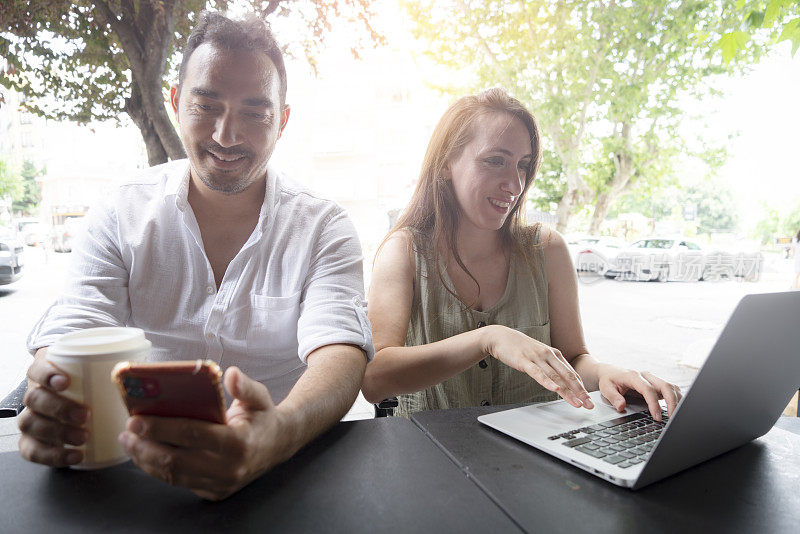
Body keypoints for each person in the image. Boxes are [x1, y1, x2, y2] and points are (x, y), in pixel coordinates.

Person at [17, 12, 372, 500]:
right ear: (176, 102)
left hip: (287, 471)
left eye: (255, 112)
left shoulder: (323, 227)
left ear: (283, 120)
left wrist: (277, 435)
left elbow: (341, 352)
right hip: (135, 468)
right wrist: (55, 387)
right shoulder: (122, 210)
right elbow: (76, 326)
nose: (227, 135)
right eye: (206, 106)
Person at [362, 88, 681, 420]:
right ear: (445, 164)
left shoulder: (547, 250)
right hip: (430, 456)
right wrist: (489, 338)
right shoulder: (403, 251)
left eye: (523, 166)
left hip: (533, 455)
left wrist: (605, 375)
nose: (514, 184)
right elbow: (374, 380)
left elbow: (573, 359)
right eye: (495, 161)